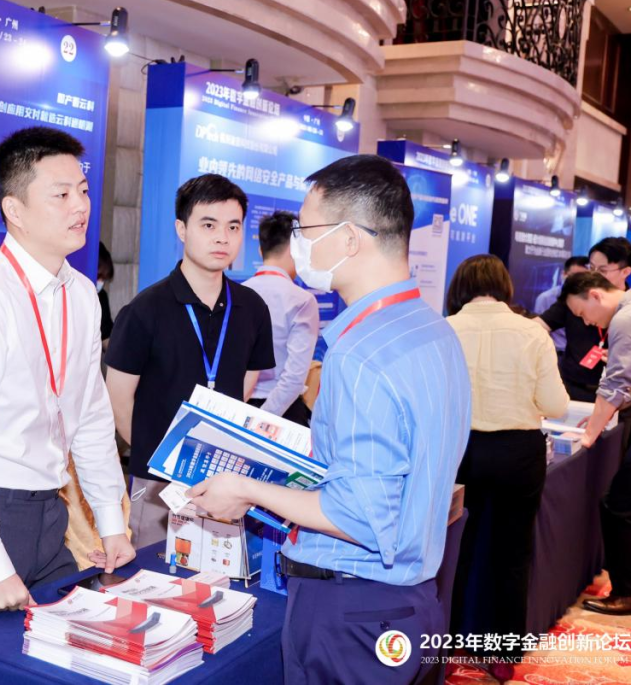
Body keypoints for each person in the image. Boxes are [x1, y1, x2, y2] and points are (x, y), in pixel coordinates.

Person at [188, 154, 471, 684]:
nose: (298, 244)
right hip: (408, 603)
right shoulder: (433, 330)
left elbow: (359, 515)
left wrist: (246, 489)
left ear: (349, 240)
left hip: (351, 612)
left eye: (306, 230)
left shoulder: (360, 353)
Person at [0, 127, 134, 623]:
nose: (80, 206)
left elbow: (91, 417)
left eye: (83, 191)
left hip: (49, 514)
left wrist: (110, 520)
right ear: (15, 209)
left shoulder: (81, 294)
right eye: (61, 195)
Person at [105, 174, 275, 549]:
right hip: (158, 483)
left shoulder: (252, 308)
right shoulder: (144, 310)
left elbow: (246, 383)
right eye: (208, 225)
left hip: (224, 478)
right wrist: (169, 462)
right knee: (156, 575)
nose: (222, 238)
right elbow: (118, 401)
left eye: (233, 227)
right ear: (182, 229)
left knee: (222, 579)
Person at [446, 254, 569, 675]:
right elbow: (555, 404)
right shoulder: (531, 332)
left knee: (456, 550)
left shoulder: (444, 330)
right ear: (504, 286)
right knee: (513, 553)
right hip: (518, 453)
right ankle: (503, 656)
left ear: (460, 286)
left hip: (459, 452)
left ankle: (449, 643)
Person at [562, 272, 631, 616]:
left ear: (595, 295)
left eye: (582, 313)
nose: (586, 322)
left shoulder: (627, 319)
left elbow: (616, 384)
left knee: (618, 504)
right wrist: (598, 418)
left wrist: (589, 435)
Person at [242, 211, 320, 425]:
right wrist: (261, 421)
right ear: (295, 249)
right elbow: (294, 378)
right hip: (281, 413)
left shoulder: (237, 293)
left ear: (261, 250)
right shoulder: (302, 300)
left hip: (240, 405)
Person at [538, 238, 631, 401]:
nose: (594, 275)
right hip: (571, 387)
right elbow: (539, 325)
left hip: (616, 394)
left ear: (625, 272)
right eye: (591, 267)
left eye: (602, 270)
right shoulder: (576, 298)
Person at [534, 256, 589, 354]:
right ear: (564, 274)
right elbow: (538, 329)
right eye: (575, 276)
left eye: (584, 278)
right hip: (555, 352)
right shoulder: (546, 298)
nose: (579, 282)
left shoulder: (591, 300)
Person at [97, 241, 115, 348]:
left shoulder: (101, 296)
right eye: (98, 276)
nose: (100, 282)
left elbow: (106, 334)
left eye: (104, 279)